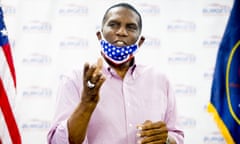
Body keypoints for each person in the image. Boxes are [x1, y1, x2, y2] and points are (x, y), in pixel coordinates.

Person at [47, 2, 184, 144]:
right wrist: (86, 105)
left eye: (131, 27)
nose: (121, 32)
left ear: (140, 41)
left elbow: (177, 137)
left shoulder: (160, 80)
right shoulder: (75, 79)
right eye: (113, 25)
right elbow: (58, 141)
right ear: (99, 36)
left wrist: (166, 139)